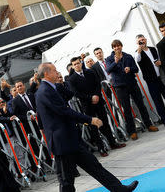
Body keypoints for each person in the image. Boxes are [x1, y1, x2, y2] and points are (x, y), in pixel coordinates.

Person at [35, 62, 139, 192]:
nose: (57, 73)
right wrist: (90, 119)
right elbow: (64, 111)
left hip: (70, 139)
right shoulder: (45, 91)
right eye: (54, 71)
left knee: (95, 166)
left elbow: (67, 98)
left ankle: (119, 189)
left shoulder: (53, 88)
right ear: (46, 73)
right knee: (66, 180)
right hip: (61, 142)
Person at [68, 57, 125, 157]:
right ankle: (101, 148)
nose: (77, 65)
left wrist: (97, 95)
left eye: (78, 63)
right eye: (74, 64)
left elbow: (97, 84)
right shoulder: (72, 79)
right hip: (87, 105)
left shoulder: (90, 72)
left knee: (105, 122)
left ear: (81, 63)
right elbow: (76, 93)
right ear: (72, 66)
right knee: (93, 127)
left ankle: (113, 143)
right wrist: (90, 98)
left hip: (98, 101)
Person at [106, 40, 159, 140]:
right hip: (120, 86)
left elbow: (136, 69)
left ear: (121, 46)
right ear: (113, 48)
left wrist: (130, 68)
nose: (117, 48)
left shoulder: (128, 56)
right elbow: (108, 70)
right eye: (115, 47)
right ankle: (132, 131)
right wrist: (115, 62)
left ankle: (149, 125)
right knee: (126, 109)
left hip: (132, 84)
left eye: (118, 46)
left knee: (141, 105)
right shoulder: (109, 59)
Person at [134, 34, 165, 126]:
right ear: (137, 42)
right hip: (151, 81)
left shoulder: (153, 49)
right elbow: (137, 59)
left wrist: (161, 63)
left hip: (161, 77)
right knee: (158, 101)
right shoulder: (137, 52)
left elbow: (161, 59)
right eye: (140, 40)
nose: (142, 41)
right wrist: (139, 47)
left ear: (146, 39)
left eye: (143, 39)